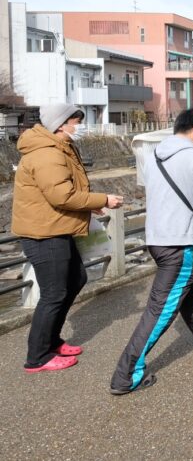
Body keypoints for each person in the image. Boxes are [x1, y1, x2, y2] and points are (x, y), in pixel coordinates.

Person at [110, 109, 193, 395]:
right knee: (161, 309)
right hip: (179, 242)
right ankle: (126, 375)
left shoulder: (155, 156)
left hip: (156, 238)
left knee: (185, 292)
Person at [12, 103, 124, 373]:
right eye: (76, 120)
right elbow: (61, 195)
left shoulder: (60, 147)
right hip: (44, 234)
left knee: (76, 279)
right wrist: (103, 199)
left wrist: (89, 205)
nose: (80, 126)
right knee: (54, 293)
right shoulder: (46, 153)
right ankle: (37, 356)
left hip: (56, 228)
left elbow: (66, 192)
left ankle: (51, 340)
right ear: (61, 124)